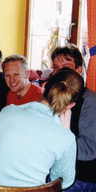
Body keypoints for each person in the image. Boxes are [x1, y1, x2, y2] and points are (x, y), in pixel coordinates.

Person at [0, 68, 84, 189]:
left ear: (43, 87)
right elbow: (62, 183)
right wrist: (65, 132)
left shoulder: (6, 112)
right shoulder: (66, 137)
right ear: (71, 105)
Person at [51, 44, 96, 191]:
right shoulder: (54, 97)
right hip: (57, 171)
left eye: (66, 66)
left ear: (79, 70)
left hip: (81, 178)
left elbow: (90, 149)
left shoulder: (89, 101)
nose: (60, 72)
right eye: (56, 67)